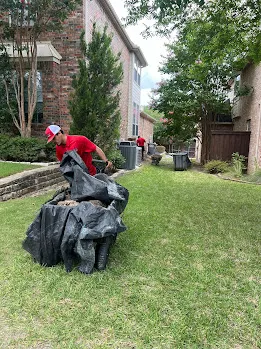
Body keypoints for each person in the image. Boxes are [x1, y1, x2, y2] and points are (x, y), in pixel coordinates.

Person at [45, 125, 112, 176]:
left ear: (59, 133)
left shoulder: (79, 140)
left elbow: (96, 148)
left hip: (91, 175)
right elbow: (64, 165)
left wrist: (106, 161)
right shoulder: (58, 148)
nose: (53, 141)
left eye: (54, 138)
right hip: (76, 178)